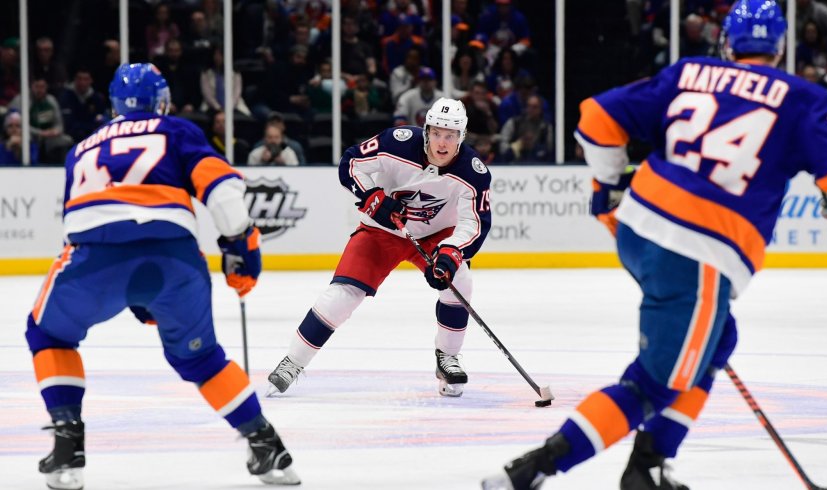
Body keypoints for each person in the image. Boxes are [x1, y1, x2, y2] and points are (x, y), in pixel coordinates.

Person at [482, 2, 827, 489]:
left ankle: (647, 467)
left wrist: (607, 185)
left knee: (718, 339)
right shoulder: (801, 98)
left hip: (639, 229)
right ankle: (528, 473)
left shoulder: (690, 72)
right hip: (699, 254)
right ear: (779, 48)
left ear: (727, 44)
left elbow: (596, 118)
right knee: (653, 385)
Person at [26, 63, 301, 489]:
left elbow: (80, 220)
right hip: (174, 259)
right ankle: (266, 445)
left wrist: (132, 290)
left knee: (48, 335)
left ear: (115, 104)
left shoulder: (79, 149)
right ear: (162, 100)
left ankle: (68, 446)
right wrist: (240, 244)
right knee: (199, 357)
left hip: (93, 256)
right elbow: (224, 192)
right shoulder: (176, 130)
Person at [266, 97, 492, 398]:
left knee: (459, 281)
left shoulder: (473, 173)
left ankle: (447, 358)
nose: (442, 142)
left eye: (450, 135)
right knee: (343, 295)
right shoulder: (396, 143)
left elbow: (475, 223)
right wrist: (373, 198)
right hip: (383, 230)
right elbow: (351, 163)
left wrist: (451, 252)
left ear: (461, 137)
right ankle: (293, 362)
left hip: (437, 234)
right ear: (425, 131)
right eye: (436, 133)